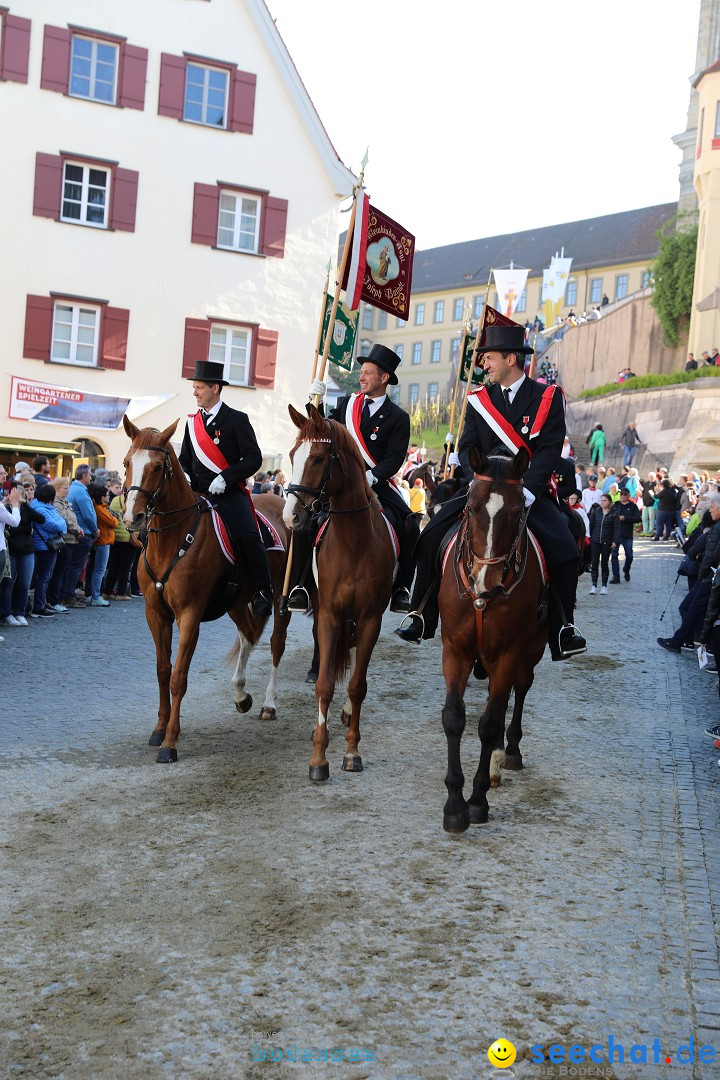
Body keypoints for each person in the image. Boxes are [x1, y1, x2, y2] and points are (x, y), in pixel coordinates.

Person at [395, 322, 586, 661]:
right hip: (481, 491)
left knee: (565, 548)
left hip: (525, 491)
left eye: (489, 358)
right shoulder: (480, 401)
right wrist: (476, 484)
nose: (483, 364)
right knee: (431, 536)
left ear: (512, 358)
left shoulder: (546, 398)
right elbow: (469, 446)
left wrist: (529, 492)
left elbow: (549, 448)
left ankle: (562, 627)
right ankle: (421, 614)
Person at [296, 345, 419, 615]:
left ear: (383, 378)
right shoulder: (346, 405)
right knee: (305, 521)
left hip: (377, 484)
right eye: (361, 372)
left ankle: (401, 589)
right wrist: (313, 401)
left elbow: (395, 457)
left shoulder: (398, 417)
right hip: (340, 484)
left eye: (367, 373)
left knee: (410, 526)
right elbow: (322, 430)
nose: (361, 377)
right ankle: (302, 586)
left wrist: (373, 475)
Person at [179, 360, 273, 616]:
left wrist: (227, 478)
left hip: (228, 494)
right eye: (194, 387)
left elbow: (253, 457)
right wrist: (185, 476)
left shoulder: (236, 419)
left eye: (199, 387)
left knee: (249, 535)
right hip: (198, 493)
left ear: (215, 388)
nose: (195, 392)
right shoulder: (191, 423)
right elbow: (184, 459)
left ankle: (264, 590)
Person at [0, 474, 44, 626]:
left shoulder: (25, 507)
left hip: (26, 549)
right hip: (11, 549)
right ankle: (7, 613)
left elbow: (40, 519)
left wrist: (23, 505)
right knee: (8, 583)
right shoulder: (5, 507)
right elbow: (13, 525)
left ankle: (20, 612)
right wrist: (26, 528)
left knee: (24, 584)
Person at [29, 482, 67, 617]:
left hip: (47, 545)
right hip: (44, 546)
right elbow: (54, 525)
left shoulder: (46, 507)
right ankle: (38, 607)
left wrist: (61, 525)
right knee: (44, 577)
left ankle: (41, 604)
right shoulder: (41, 509)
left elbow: (61, 522)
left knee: (46, 577)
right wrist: (62, 525)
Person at [47, 476, 83, 611]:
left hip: (71, 539)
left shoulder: (64, 502)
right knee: (58, 572)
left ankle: (57, 598)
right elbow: (65, 521)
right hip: (64, 541)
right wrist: (78, 529)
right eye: (66, 488)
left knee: (62, 571)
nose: (68, 490)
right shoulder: (56, 503)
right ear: (57, 489)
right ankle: (53, 600)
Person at [64, 464, 97, 606]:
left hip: (77, 532)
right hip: (83, 533)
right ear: (84, 476)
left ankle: (66, 594)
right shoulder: (81, 491)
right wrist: (95, 529)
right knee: (76, 566)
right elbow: (88, 515)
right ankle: (68, 596)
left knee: (71, 566)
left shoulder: (73, 488)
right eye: (90, 475)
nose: (91, 478)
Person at [86, 483, 116, 606]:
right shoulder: (100, 509)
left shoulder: (100, 508)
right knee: (100, 570)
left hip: (103, 541)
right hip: (103, 542)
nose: (109, 496)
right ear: (102, 497)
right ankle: (96, 596)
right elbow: (113, 521)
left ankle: (93, 594)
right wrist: (115, 519)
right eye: (107, 494)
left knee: (96, 569)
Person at [610, 488, 641, 583]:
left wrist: (625, 518)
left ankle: (626, 570)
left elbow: (637, 518)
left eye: (625, 494)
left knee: (630, 556)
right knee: (614, 555)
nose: (623, 495)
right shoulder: (616, 505)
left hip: (627, 534)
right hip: (616, 534)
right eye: (621, 494)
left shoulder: (633, 506)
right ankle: (616, 577)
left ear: (628, 496)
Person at [588, 494, 615, 594]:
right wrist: (589, 538)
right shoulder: (596, 512)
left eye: (604, 500)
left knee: (604, 563)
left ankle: (604, 586)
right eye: (601, 500)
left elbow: (616, 528)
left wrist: (614, 541)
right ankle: (594, 585)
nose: (602, 502)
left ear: (609, 502)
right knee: (594, 562)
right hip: (595, 541)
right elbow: (591, 525)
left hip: (606, 541)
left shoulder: (613, 513)